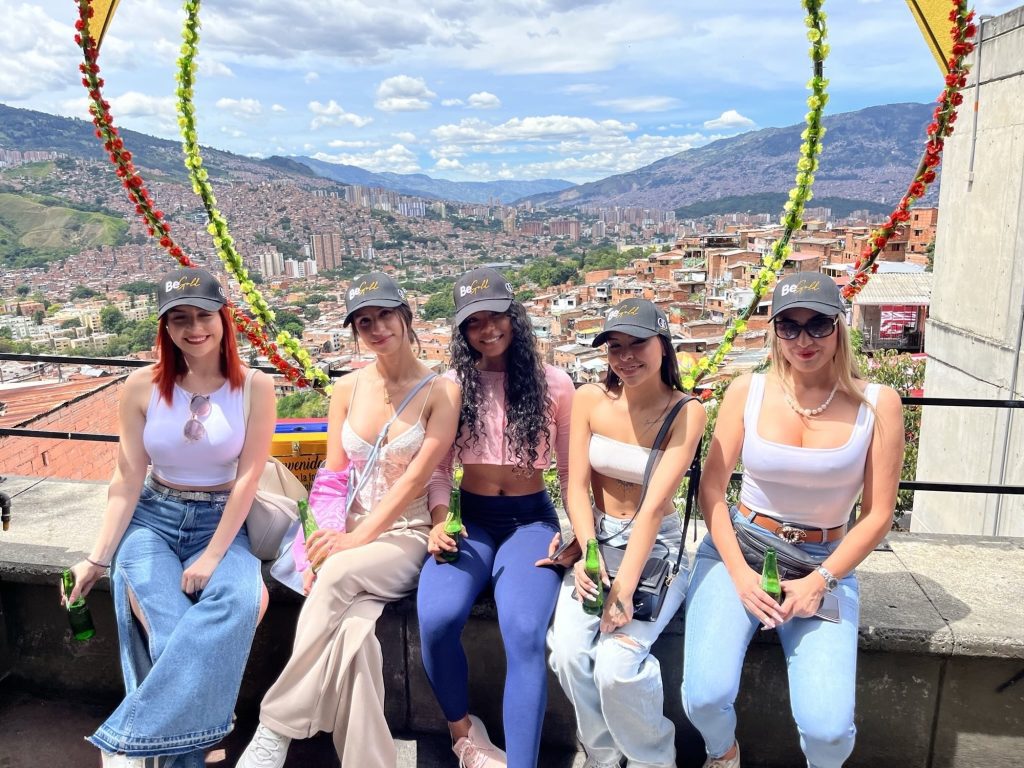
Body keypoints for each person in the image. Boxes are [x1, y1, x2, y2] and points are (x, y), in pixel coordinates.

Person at [682, 272, 904, 768]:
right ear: (775, 332)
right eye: (790, 326)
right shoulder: (748, 391)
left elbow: (878, 515)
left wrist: (821, 580)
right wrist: (739, 575)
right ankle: (724, 754)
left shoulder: (877, 404)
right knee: (703, 696)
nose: (805, 340)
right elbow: (712, 489)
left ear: (839, 327)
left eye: (818, 324)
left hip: (821, 560)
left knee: (828, 731)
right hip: (741, 545)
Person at [238, 272, 460, 768]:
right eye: (364, 322)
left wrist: (351, 544)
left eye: (385, 315)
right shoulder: (346, 389)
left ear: (406, 316)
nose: (377, 328)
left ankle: (274, 728)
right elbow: (332, 478)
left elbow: (416, 478)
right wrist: (317, 547)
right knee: (355, 637)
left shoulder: (441, 392)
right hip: (349, 532)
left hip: (406, 533)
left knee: (338, 574)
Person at [64, 267, 276, 768]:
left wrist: (213, 556)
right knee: (171, 623)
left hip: (221, 519)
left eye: (203, 315)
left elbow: (248, 478)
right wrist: (96, 559)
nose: (193, 328)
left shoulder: (255, 386)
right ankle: (196, 737)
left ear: (223, 319)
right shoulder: (141, 386)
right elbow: (127, 478)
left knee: (242, 600)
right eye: (180, 318)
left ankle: (125, 741)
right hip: (152, 519)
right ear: (166, 327)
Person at [415, 267, 575, 768]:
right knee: (436, 619)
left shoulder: (555, 384)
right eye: (473, 322)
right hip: (471, 521)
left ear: (515, 316)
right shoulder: (451, 387)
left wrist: (579, 534)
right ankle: (463, 732)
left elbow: (571, 470)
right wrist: (439, 521)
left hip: (531, 522)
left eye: (496, 316)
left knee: (524, 631)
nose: (487, 329)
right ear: (461, 330)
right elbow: (439, 467)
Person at [548, 298, 706, 768]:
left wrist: (624, 588)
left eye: (638, 343)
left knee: (617, 667)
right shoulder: (591, 399)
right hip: (598, 538)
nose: (626, 356)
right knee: (567, 655)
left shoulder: (686, 411)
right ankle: (602, 753)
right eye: (615, 346)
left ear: (663, 345)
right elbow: (575, 486)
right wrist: (587, 554)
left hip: (654, 550)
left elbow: (655, 506)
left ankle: (652, 759)